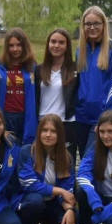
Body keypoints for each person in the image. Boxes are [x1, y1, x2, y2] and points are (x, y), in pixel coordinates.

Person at [16, 115, 78, 224]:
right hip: (29, 201)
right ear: (39, 132)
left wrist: (69, 209)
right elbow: (29, 184)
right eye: (44, 130)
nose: (48, 135)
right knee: (35, 201)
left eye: (53, 131)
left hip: (53, 202)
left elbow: (67, 189)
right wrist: (59, 191)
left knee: (76, 217)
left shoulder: (67, 157)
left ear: (60, 135)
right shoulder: (27, 151)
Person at [74, 6, 112, 160]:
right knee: (85, 160)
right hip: (81, 117)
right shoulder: (80, 50)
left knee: (90, 162)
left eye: (96, 23)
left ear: (104, 24)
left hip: (101, 118)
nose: (92, 27)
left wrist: (106, 119)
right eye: (88, 24)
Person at [34, 28, 78, 157]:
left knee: (66, 163)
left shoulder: (75, 69)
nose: (56, 45)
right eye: (53, 42)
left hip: (66, 123)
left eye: (61, 42)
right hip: (43, 123)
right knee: (42, 162)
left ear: (67, 46)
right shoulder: (39, 70)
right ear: (48, 44)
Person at [0, 27, 38, 146]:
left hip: (25, 116)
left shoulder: (32, 66)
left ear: (24, 46)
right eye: (11, 45)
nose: (15, 49)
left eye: (19, 45)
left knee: (24, 150)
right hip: (5, 116)